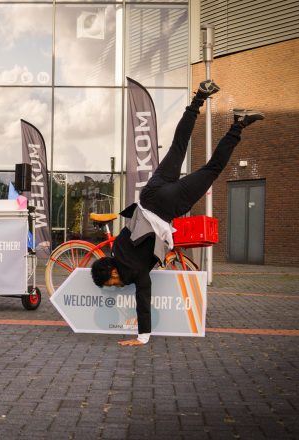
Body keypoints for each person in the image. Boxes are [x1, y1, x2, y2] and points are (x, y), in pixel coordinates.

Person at [90, 80, 264, 346]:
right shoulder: (118, 249)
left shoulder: (134, 273)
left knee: (212, 169)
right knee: (178, 146)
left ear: (113, 275)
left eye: (112, 285)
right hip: (149, 195)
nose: (116, 287)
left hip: (168, 206)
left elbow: (143, 302)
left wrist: (142, 337)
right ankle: (199, 97)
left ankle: (238, 124)